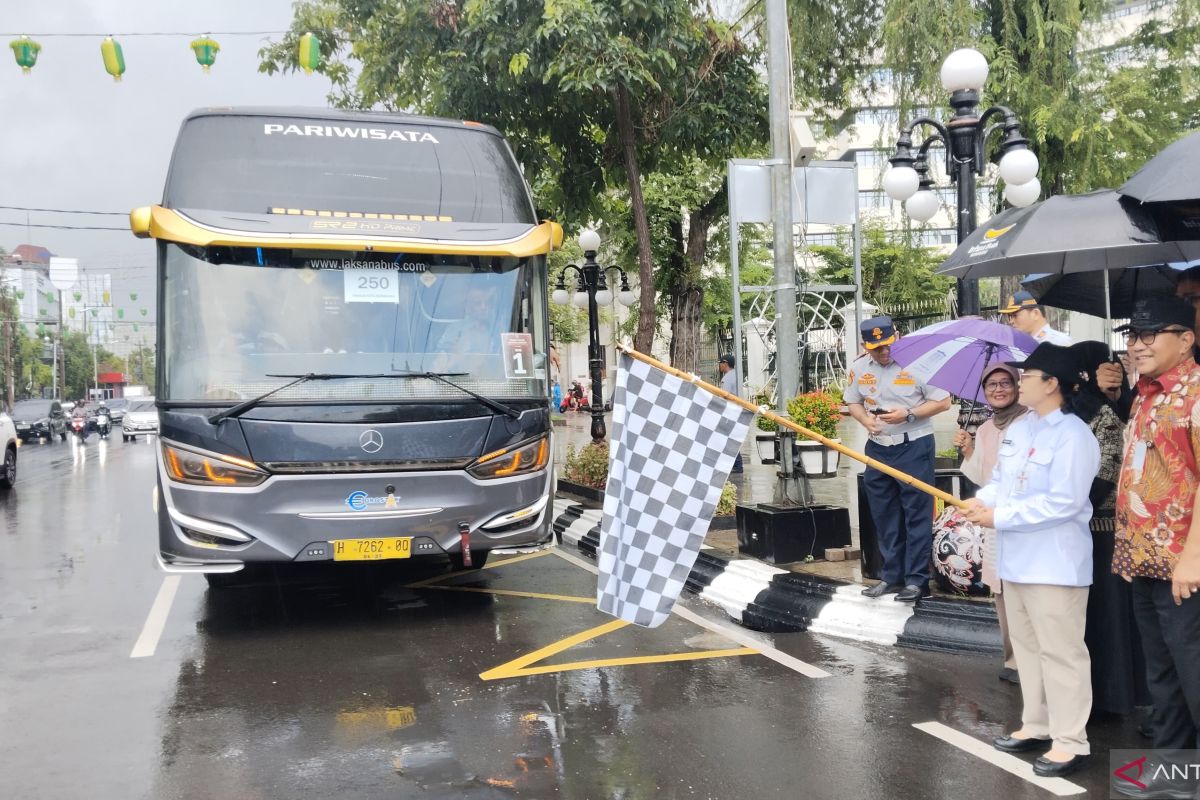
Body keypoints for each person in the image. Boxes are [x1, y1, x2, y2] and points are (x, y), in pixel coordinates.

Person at [963, 342, 1100, 778]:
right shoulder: (1021, 429)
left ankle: (1070, 740)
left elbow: (1064, 503)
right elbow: (1000, 481)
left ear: (1052, 384)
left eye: (1028, 377)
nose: (1019, 382)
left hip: (1056, 564)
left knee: (1062, 653)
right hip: (1017, 559)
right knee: (1028, 649)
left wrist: (998, 516)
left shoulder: (1075, 435)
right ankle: (1036, 724)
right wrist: (976, 503)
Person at [1112, 295, 1200, 797]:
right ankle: (1175, 770)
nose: (1137, 344)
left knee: (1193, 673)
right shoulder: (1145, 395)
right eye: (1132, 335)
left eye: (1150, 335)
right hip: (1144, 560)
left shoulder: (1195, 392)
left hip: (1184, 566)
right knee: (1162, 674)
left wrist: (1193, 557)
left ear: (1185, 339)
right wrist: (1127, 550)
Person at [845, 316, 951, 602]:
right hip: (878, 448)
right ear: (865, 346)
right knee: (885, 514)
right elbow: (852, 401)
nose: (883, 352)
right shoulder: (858, 368)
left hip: (913, 446)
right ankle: (891, 576)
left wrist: (909, 413)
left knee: (916, 514)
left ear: (898, 336)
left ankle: (917, 580)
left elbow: (943, 401)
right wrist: (865, 421)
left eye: (887, 345)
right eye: (875, 348)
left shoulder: (920, 364)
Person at [1071, 340, 1149, 720]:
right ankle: (1098, 695)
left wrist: (1115, 399)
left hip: (1110, 527)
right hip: (1083, 530)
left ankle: (1126, 698)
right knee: (1094, 617)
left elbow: (1110, 465)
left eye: (1111, 363)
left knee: (1117, 615)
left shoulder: (1116, 409)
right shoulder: (1076, 408)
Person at [954, 363, 1028, 685]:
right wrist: (969, 450)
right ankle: (1012, 660)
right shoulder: (984, 429)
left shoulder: (1031, 423)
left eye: (1004, 383)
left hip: (1024, 521)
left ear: (1017, 386)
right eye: (991, 385)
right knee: (1000, 593)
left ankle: (1032, 661)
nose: (998, 390)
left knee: (1025, 592)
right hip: (994, 522)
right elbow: (982, 479)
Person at [999, 291, 1072, 345]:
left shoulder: (1058, 342)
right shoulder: (1020, 345)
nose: (1011, 321)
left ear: (1035, 314)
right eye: (1010, 316)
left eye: (1015, 315)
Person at [718, 354, 744, 474]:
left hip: (730, 411)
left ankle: (737, 465)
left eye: (720, 363)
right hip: (737, 410)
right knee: (730, 438)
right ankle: (736, 464)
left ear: (725, 363)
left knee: (728, 438)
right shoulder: (736, 376)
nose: (719, 366)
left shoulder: (727, 378)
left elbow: (724, 396)